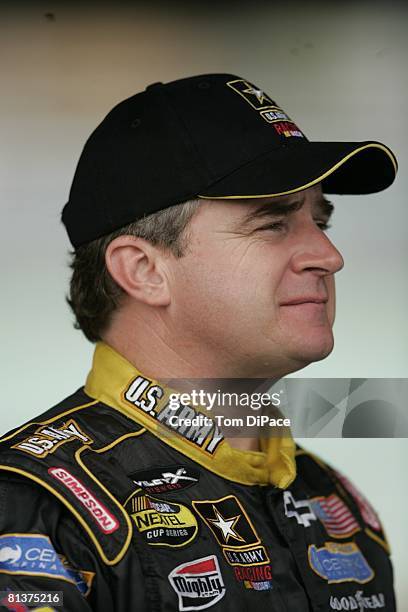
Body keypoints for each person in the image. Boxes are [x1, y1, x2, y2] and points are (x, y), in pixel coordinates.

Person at [0, 74, 397, 611]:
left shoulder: (333, 502)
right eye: (273, 224)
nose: (329, 256)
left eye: (320, 221)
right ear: (143, 271)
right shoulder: (36, 507)